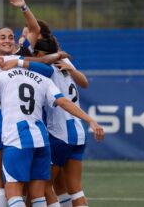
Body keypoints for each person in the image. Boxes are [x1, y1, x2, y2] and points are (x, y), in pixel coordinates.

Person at [0, 65, 104, 207]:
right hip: (41, 140)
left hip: (17, 139)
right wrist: (90, 120)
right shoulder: (44, 80)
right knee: (38, 195)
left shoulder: (3, 76)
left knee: (13, 191)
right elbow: (63, 102)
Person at [31, 21, 96, 207]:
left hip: (59, 132)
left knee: (43, 186)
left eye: (29, 32)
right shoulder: (62, 58)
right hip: (77, 131)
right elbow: (84, 83)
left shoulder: (45, 66)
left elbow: (82, 82)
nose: (26, 36)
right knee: (70, 188)